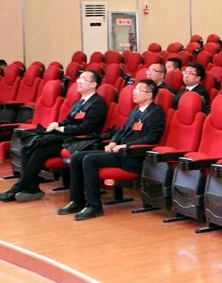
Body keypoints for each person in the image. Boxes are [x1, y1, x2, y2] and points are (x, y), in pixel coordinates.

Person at [57, 79, 166, 220]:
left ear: (149, 95)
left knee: (89, 160)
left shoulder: (156, 113)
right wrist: (113, 142)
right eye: (134, 89)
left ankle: (94, 206)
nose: (134, 92)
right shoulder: (136, 110)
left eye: (138, 90)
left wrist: (125, 146)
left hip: (132, 156)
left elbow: (151, 139)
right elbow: (121, 131)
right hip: (119, 153)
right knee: (77, 156)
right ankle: (77, 201)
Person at [0, 71, 108, 202]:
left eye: (83, 79)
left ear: (93, 84)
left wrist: (62, 129)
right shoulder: (79, 102)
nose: (78, 81)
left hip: (79, 140)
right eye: (79, 78)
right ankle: (32, 187)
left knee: (40, 150)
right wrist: (58, 124)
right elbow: (69, 121)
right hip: (66, 137)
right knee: (27, 147)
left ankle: (18, 188)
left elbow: (87, 128)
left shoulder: (97, 103)